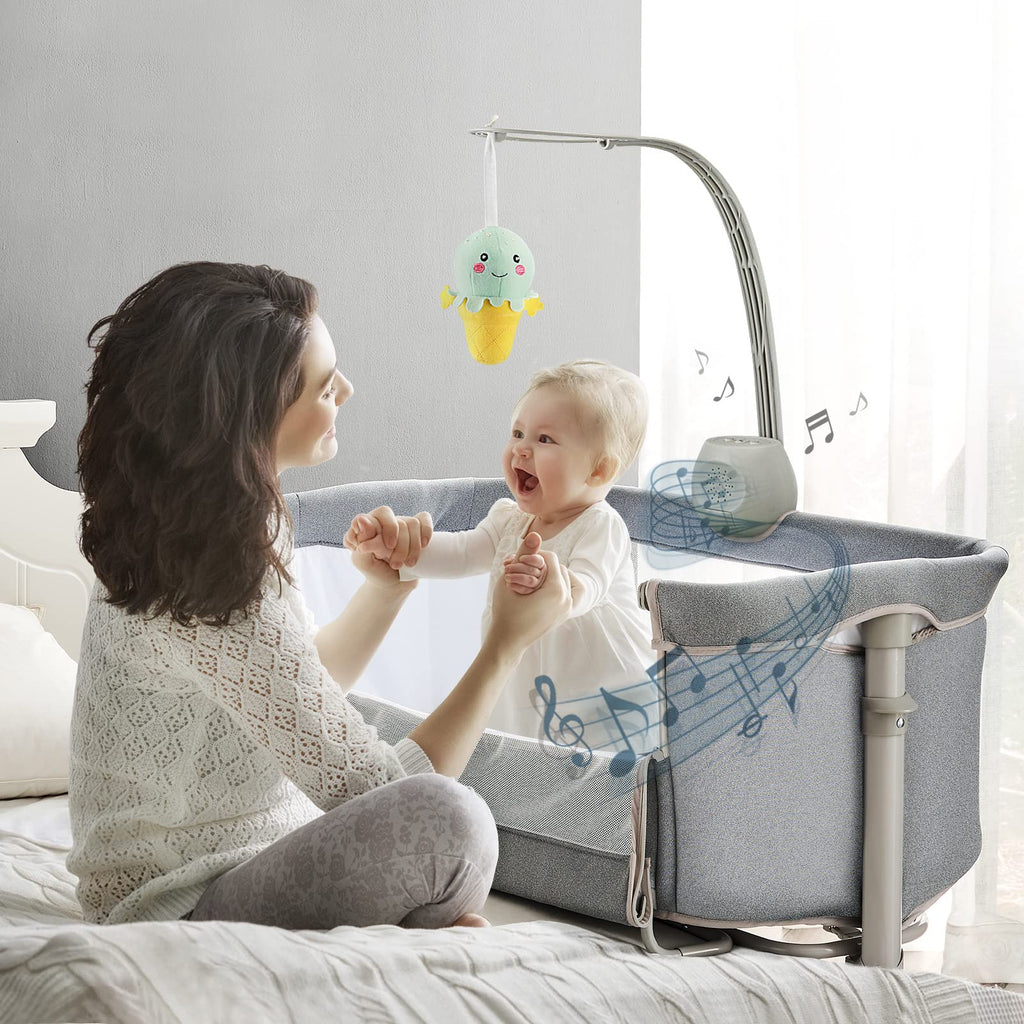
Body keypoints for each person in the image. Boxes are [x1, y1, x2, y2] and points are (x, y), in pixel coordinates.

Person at [68, 261, 571, 931]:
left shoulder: (208, 521)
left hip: (245, 858)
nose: (349, 390)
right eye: (325, 385)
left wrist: (385, 593)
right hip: (177, 904)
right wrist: (506, 643)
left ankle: (421, 921)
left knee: (436, 817)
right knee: (454, 821)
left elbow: (294, 685)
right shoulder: (205, 565)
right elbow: (378, 789)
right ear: (252, 414)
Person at [349, 360, 659, 760]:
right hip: (529, 695)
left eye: (545, 439)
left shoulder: (600, 526)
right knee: (525, 762)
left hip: (605, 703)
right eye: (517, 433)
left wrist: (550, 580)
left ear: (599, 470)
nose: (521, 448)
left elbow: (585, 588)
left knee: (598, 789)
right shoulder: (509, 519)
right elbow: (462, 554)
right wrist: (400, 547)